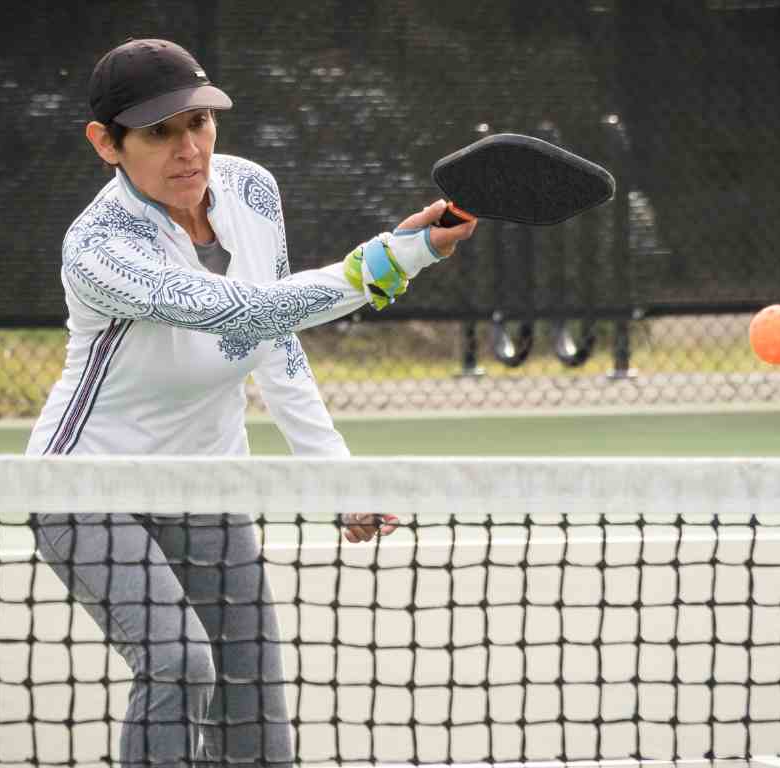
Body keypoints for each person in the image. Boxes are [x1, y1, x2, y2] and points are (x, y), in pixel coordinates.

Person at [26, 38, 476, 768]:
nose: (188, 150)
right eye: (159, 133)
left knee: (254, 720)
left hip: (209, 483)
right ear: (105, 144)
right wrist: (397, 258)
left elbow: (275, 341)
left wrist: (338, 479)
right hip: (86, 487)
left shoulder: (251, 189)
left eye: (199, 123)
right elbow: (238, 312)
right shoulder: (98, 247)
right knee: (178, 661)